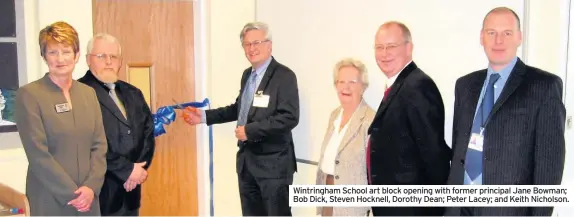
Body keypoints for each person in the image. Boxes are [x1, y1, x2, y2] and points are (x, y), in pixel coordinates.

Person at [445, 7, 566, 216]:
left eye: (507, 33)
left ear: (519, 38)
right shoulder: (465, 86)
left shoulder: (544, 86)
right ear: (482, 37)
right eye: (491, 33)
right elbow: (459, 148)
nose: (498, 41)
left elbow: (549, 166)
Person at [182, 21, 299, 216]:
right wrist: (203, 116)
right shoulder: (248, 75)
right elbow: (240, 109)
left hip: (274, 168)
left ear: (269, 45)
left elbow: (289, 117)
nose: (252, 48)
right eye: (247, 44)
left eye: (257, 43)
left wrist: (250, 131)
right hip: (247, 165)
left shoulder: (284, 76)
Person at [14, 21, 107, 215]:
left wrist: (91, 188)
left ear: (77, 55)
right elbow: (38, 154)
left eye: (66, 51)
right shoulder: (29, 95)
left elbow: (99, 146)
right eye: (52, 52)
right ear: (44, 56)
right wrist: (72, 195)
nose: (60, 58)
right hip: (50, 197)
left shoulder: (88, 94)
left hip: (89, 198)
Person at [366, 21, 451, 216]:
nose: (384, 53)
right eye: (379, 47)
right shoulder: (398, 85)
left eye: (391, 46)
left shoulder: (418, 86)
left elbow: (434, 155)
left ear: (409, 48)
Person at [78, 33, 155, 216]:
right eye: (101, 56)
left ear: (120, 61)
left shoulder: (133, 93)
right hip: (101, 194)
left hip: (131, 193)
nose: (108, 61)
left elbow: (147, 133)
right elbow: (87, 143)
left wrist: (138, 169)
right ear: (89, 60)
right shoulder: (79, 94)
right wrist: (126, 171)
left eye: (113, 57)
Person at [315, 58, 375, 216]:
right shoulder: (334, 115)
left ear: (363, 87)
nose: (345, 87)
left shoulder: (370, 120)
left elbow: (373, 172)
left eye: (352, 82)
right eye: (341, 82)